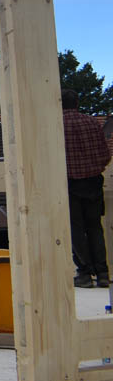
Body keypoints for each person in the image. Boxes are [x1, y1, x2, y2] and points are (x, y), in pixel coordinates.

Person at [61, 89, 111, 288]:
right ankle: (103, 273)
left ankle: (84, 273)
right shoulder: (92, 122)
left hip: (70, 183)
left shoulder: (57, 125)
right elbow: (105, 155)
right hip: (93, 182)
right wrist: (94, 168)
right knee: (95, 227)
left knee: (76, 229)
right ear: (77, 103)